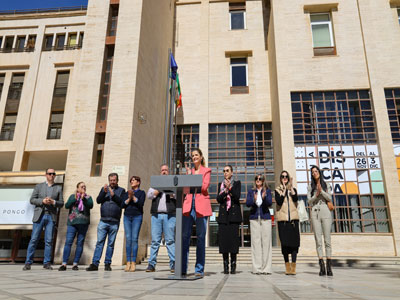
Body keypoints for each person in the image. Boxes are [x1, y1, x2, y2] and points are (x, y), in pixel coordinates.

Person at [23, 168, 64, 271]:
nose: (51, 175)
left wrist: (53, 202)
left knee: (49, 241)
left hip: (51, 216)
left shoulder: (58, 188)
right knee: (34, 239)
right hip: (39, 216)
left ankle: (46, 263)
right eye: (49, 173)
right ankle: (28, 262)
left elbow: (61, 203)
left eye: (53, 174)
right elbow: (32, 200)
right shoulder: (39, 186)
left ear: (55, 176)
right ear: (46, 175)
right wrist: (42, 201)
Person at [182, 148, 212, 277]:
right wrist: (189, 176)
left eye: (196, 155)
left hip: (201, 207)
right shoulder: (189, 173)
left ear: (200, 157)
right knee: (184, 237)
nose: (194, 157)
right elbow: (185, 190)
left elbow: (204, 187)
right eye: (192, 155)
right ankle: (182, 268)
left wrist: (192, 178)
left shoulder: (206, 171)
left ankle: (199, 269)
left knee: (200, 238)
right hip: (189, 206)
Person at [86, 173, 125, 271]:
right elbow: (98, 200)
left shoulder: (121, 190)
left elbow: (122, 203)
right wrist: (104, 192)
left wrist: (113, 195)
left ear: (117, 180)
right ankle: (95, 264)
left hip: (114, 222)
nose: (112, 182)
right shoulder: (104, 189)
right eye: (111, 180)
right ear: (109, 180)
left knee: (111, 244)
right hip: (103, 221)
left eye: (114, 180)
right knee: (99, 243)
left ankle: (107, 264)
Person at [146, 164, 176, 273]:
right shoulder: (155, 183)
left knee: (170, 240)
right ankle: (151, 264)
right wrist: (158, 189)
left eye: (166, 170)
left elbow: (178, 195)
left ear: (169, 172)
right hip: (156, 216)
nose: (164, 172)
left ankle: (174, 264)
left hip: (170, 215)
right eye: (162, 170)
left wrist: (172, 192)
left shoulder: (173, 182)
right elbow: (149, 195)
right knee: (155, 241)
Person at [58, 182, 93, 271]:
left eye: (85, 186)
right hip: (72, 223)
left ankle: (75, 264)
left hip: (83, 223)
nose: (83, 188)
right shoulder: (72, 196)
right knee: (68, 242)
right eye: (82, 187)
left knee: (80, 243)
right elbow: (67, 205)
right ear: (77, 188)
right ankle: (64, 263)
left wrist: (83, 198)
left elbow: (90, 205)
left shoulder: (88, 197)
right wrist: (76, 198)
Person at [307, 165, 333, 276]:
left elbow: (330, 198)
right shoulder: (310, 186)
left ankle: (329, 267)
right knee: (318, 240)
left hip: (325, 210)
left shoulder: (326, 184)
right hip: (315, 211)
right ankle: (321, 266)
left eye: (316, 171)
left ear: (319, 172)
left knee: (327, 240)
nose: (314, 173)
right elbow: (309, 201)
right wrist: (316, 194)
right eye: (312, 172)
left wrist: (321, 191)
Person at [216, 165, 242, 274]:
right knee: (224, 242)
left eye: (227, 171)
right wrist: (225, 191)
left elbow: (236, 197)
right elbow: (218, 199)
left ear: (232, 173)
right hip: (223, 217)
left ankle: (233, 265)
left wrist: (230, 188)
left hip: (233, 217)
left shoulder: (237, 184)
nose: (225, 173)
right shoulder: (220, 185)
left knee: (233, 242)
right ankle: (225, 265)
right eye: (224, 171)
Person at [246, 174, 272, 275]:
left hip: (265, 218)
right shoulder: (251, 191)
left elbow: (269, 203)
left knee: (266, 243)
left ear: (263, 180)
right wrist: (254, 199)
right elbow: (248, 203)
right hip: (254, 219)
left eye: (260, 179)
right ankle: (257, 268)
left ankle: (266, 268)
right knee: (255, 243)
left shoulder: (268, 191)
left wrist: (264, 198)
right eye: (256, 179)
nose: (258, 180)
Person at [275, 171, 300, 275]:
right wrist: (284, 190)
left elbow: (295, 199)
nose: (285, 178)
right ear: (280, 178)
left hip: (293, 220)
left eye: (286, 176)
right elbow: (279, 202)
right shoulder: (277, 190)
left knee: (294, 244)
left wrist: (291, 189)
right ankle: (287, 266)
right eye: (283, 176)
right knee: (285, 244)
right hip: (283, 221)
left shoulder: (293, 190)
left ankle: (293, 267)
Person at [123, 175, 145, 272]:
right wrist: (129, 198)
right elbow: (122, 205)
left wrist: (133, 197)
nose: (132, 182)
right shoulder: (126, 193)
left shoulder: (141, 193)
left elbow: (141, 203)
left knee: (134, 239)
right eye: (131, 180)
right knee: (128, 239)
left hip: (137, 216)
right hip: (127, 216)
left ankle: (133, 262)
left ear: (138, 182)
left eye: (134, 180)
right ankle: (128, 262)